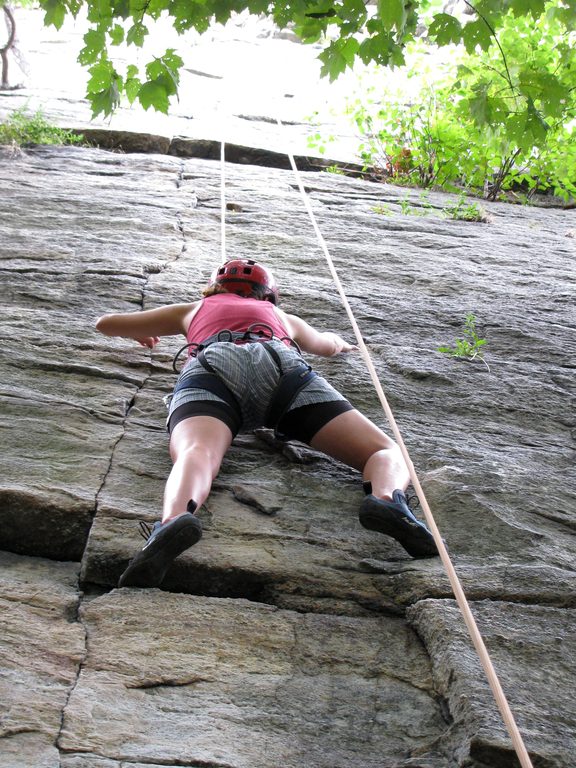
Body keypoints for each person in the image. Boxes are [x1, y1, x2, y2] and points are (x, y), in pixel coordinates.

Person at [96, 258, 438, 588]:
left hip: (213, 367)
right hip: (281, 367)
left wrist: (138, 334)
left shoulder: (192, 309)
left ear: (215, 288)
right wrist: (345, 344)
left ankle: (173, 521)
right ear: (267, 293)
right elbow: (326, 345)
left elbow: (106, 323)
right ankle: (387, 500)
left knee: (197, 452)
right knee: (383, 449)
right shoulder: (281, 315)